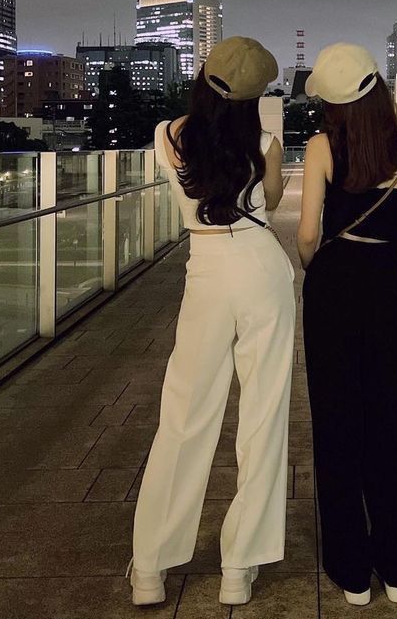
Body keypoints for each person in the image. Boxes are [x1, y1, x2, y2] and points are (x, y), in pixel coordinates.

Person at [129, 36, 296, 607]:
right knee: (262, 417)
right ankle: (238, 567)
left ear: (203, 78)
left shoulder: (167, 136)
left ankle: (150, 567)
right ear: (256, 97)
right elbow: (268, 205)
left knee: (184, 415)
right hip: (262, 269)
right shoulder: (268, 142)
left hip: (206, 269)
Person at [296, 43, 397, 606]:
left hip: (334, 286)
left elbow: (307, 234)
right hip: (389, 285)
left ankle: (352, 571)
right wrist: (383, 246)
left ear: (332, 106)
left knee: (338, 420)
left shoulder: (321, 148)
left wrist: (322, 264)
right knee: (394, 419)